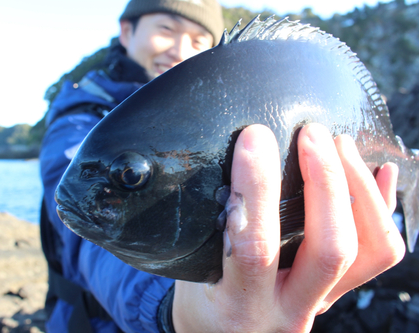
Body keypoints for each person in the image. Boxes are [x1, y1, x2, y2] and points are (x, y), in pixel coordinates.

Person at [39, 0, 405, 332]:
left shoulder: (209, 106)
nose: (180, 48)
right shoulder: (79, 118)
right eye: (165, 29)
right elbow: (81, 241)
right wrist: (172, 311)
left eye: (199, 39)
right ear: (127, 31)